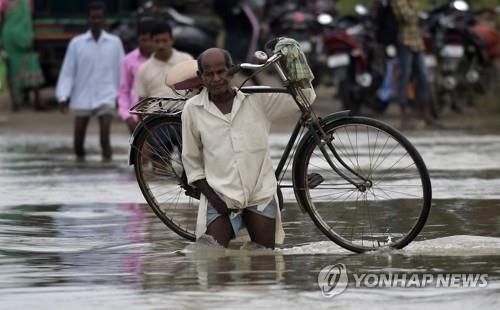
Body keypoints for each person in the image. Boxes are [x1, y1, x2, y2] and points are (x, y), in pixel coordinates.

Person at [181, 47, 316, 249]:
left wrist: (296, 65)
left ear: (232, 71)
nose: (217, 78)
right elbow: (192, 162)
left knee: (263, 263)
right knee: (213, 264)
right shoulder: (193, 109)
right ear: (201, 77)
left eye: (221, 72)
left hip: (259, 194)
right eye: (209, 74)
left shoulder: (257, 99)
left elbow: (304, 97)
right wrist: (215, 200)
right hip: (220, 196)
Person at [55, 2, 124, 162]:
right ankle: (81, 169)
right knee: (78, 143)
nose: (96, 21)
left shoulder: (115, 42)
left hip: (107, 95)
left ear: (104, 19)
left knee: (105, 138)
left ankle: (107, 172)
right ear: (88, 19)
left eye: (99, 17)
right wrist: (63, 96)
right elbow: (67, 72)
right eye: (93, 17)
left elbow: (121, 71)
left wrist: (120, 97)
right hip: (82, 97)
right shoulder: (76, 43)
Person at [392, 0, 436, 128]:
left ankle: (426, 115)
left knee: (423, 76)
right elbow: (408, 18)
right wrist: (414, 7)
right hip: (404, 42)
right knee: (404, 78)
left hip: (417, 42)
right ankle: (403, 117)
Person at [0, 0, 45, 111]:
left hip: (9, 37)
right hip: (24, 36)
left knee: (13, 70)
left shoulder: (4, 2)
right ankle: (36, 102)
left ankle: (17, 103)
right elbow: (30, 18)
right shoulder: (28, 1)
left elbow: (1, 20)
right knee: (31, 65)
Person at [134, 21, 193, 99]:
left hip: (184, 110)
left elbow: (196, 90)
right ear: (151, 42)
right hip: (153, 111)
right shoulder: (143, 69)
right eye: (157, 41)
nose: (161, 45)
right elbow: (142, 100)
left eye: (165, 41)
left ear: (172, 40)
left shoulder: (186, 61)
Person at [117, 20, 154, 133]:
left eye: (150, 40)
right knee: (139, 150)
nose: (147, 44)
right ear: (138, 40)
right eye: (144, 40)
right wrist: (126, 116)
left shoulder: (163, 60)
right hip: (136, 118)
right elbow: (124, 90)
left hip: (159, 115)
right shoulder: (129, 60)